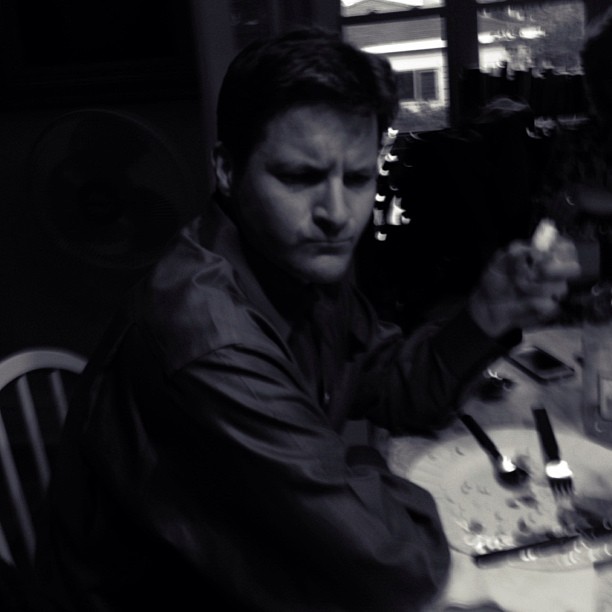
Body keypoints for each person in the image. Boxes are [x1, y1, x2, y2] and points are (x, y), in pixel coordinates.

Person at [33, 28, 579, 611]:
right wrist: (358, 471)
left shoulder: (296, 258)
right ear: (226, 170)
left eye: (358, 178)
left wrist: (486, 314)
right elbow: (388, 562)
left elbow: (394, 388)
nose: (337, 214)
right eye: (299, 177)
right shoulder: (208, 335)